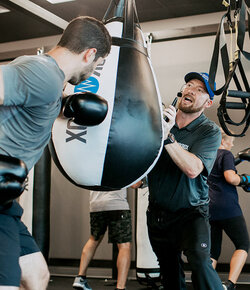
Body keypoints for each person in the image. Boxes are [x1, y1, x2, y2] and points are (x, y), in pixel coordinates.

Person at [0, 16, 111, 290]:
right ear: (90, 54)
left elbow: (29, 106)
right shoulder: (43, 74)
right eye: (97, 63)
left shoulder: (50, 82)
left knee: (36, 277)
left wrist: (66, 105)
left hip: (6, 202)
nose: (93, 68)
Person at [143, 72, 224, 289]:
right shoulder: (158, 122)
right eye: (189, 85)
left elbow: (193, 169)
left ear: (207, 103)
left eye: (199, 90)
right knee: (169, 272)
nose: (191, 90)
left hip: (191, 213)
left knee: (199, 261)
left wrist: (167, 136)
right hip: (158, 214)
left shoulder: (209, 131)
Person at [208, 130, 249, 290]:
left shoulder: (207, 154)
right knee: (242, 244)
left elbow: (216, 172)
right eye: (230, 141)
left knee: (213, 251)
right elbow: (230, 177)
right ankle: (230, 284)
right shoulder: (226, 154)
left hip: (209, 208)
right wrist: (245, 179)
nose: (232, 144)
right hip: (228, 208)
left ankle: (208, 284)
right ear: (223, 141)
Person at [73, 188, 132, 290]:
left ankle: (80, 278)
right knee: (124, 245)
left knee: (93, 239)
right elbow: (135, 184)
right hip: (117, 205)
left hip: (96, 205)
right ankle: (120, 287)